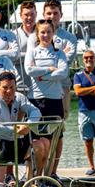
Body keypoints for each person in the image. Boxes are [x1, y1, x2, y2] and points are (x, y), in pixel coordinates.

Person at [0, 72, 50, 187]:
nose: (9, 91)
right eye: (5, 87)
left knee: (44, 143)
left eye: (12, 87)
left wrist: (27, 125)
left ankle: (33, 183)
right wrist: (15, 129)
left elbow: (36, 111)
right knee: (2, 147)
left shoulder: (19, 98)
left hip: (14, 141)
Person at [25, 19, 69, 178]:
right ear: (37, 34)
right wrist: (49, 70)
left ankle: (47, 175)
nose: (45, 35)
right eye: (42, 32)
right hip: (36, 101)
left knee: (52, 143)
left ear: (53, 33)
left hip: (55, 101)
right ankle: (31, 176)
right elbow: (29, 70)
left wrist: (43, 76)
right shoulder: (33, 51)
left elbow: (63, 73)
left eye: (49, 32)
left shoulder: (59, 53)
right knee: (36, 143)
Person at [73, 50, 95, 175]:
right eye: (86, 58)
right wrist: (94, 88)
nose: (89, 60)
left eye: (91, 57)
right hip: (84, 111)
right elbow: (77, 92)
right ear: (83, 60)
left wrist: (86, 90)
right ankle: (92, 167)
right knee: (87, 141)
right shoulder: (78, 75)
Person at [13, 0, 38, 94]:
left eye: (32, 14)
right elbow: (13, 57)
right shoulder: (13, 35)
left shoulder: (43, 34)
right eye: (26, 15)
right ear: (20, 15)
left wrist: (21, 55)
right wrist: (33, 55)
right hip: (20, 85)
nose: (29, 17)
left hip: (39, 86)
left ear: (36, 14)